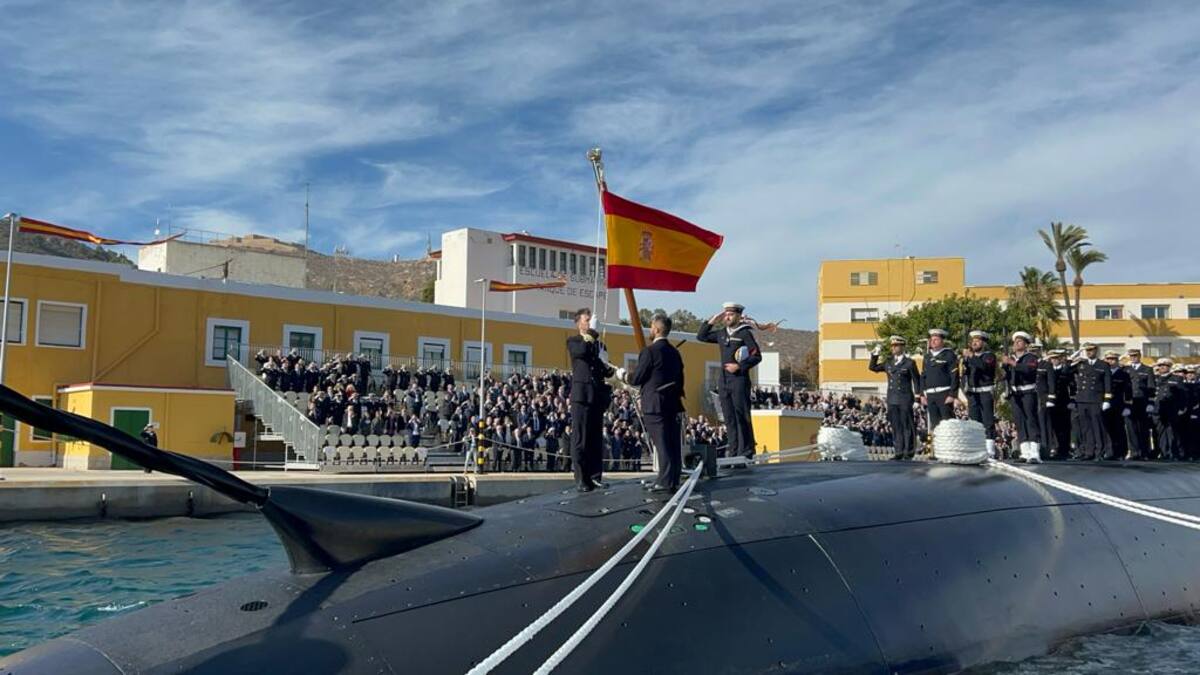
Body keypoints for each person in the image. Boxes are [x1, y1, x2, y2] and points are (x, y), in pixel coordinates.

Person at [697, 302, 762, 459]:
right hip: (724, 380)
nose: (727, 316)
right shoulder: (721, 333)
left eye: (731, 314)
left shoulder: (745, 333)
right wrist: (712, 320)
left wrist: (740, 366)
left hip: (739, 379)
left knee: (741, 415)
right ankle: (733, 452)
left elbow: (756, 355)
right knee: (729, 418)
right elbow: (701, 336)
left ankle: (746, 451)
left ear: (739, 316)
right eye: (725, 314)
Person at [629, 313, 685, 492]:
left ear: (657, 329)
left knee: (661, 443)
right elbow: (680, 379)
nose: (650, 329)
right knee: (672, 443)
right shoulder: (675, 353)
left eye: (651, 326)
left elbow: (637, 378)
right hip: (672, 402)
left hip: (655, 404)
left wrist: (623, 375)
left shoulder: (649, 352)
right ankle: (672, 478)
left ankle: (665, 481)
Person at [566, 308, 615, 492]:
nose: (589, 323)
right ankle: (581, 478)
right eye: (586, 320)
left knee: (595, 439)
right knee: (580, 438)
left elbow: (604, 370)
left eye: (590, 320)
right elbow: (581, 352)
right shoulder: (574, 341)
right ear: (579, 323)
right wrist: (593, 333)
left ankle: (595, 476)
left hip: (596, 396)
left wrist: (608, 366)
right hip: (581, 396)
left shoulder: (598, 345)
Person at [868, 335, 920, 460]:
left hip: (905, 397)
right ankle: (898, 451)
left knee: (907, 425)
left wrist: (917, 398)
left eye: (896, 345)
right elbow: (873, 368)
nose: (893, 348)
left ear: (902, 347)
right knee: (896, 425)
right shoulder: (889, 362)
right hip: (892, 398)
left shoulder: (909, 363)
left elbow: (916, 381)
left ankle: (909, 451)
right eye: (892, 346)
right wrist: (875, 354)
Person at [1003, 331, 1041, 462]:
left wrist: (1013, 364)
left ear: (1025, 344)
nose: (1016, 344)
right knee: (1019, 422)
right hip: (1015, 393)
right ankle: (1025, 452)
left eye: (1020, 342)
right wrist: (1004, 365)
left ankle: (1035, 452)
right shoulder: (1011, 358)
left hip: (1028, 392)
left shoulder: (1031, 357)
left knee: (1030, 420)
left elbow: (1029, 370)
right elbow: (1005, 376)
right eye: (1015, 342)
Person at [1070, 343, 1112, 461]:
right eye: (1087, 350)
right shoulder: (1081, 364)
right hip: (1082, 399)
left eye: (1091, 350)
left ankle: (1099, 452)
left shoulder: (1103, 365)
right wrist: (1074, 357)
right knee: (1085, 427)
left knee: (1097, 427)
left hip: (1095, 400)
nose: (1089, 352)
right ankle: (1088, 451)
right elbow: (1066, 370)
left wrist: (1107, 399)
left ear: (1096, 351)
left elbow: (1107, 383)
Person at [961, 330, 999, 457]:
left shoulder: (989, 356)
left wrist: (971, 357)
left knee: (987, 421)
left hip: (985, 392)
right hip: (973, 393)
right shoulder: (968, 358)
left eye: (978, 340)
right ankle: (977, 448)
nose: (974, 343)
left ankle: (990, 451)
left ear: (983, 343)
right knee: (974, 422)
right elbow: (965, 374)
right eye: (973, 341)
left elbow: (984, 367)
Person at [920, 328, 958, 433]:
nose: (933, 341)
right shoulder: (927, 356)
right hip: (930, 394)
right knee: (935, 423)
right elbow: (923, 376)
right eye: (931, 339)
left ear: (942, 341)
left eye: (936, 339)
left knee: (948, 423)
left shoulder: (949, 355)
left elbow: (954, 375)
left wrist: (952, 394)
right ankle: (938, 447)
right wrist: (922, 394)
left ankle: (950, 446)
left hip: (944, 393)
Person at [1124, 348, 1156, 460]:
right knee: (1131, 428)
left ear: (1140, 356)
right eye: (1131, 356)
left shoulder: (1147, 369)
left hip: (1142, 401)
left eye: (1135, 355)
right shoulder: (1125, 369)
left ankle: (1144, 452)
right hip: (1129, 402)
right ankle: (1134, 452)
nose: (1133, 357)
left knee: (1143, 428)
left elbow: (1151, 387)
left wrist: (1150, 403)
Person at [1103, 350, 1131, 460]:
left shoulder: (1123, 374)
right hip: (1105, 404)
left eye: (1113, 359)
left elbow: (1128, 391)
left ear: (1117, 360)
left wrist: (1128, 406)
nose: (1111, 361)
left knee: (1119, 429)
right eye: (1108, 359)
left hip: (1118, 405)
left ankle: (1121, 452)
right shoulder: (1103, 372)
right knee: (1107, 429)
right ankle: (1109, 452)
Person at [1045, 349, 1073, 458]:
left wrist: (1072, 400)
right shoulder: (1048, 371)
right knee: (1054, 426)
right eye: (1052, 358)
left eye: (1056, 358)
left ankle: (1065, 449)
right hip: (1052, 403)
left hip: (1064, 402)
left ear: (1060, 359)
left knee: (1065, 427)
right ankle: (1056, 448)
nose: (1054, 360)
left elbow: (1072, 386)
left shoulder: (1066, 371)